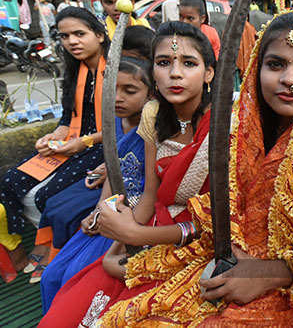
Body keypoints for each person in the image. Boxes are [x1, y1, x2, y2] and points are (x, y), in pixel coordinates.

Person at [65, 10, 293, 326]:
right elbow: (223, 208)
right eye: (275, 64)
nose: (289, 80)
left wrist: (273, 273)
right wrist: (137, 241)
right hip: (226, 259)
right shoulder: (245, 128)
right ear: (255, 68)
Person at [40, 21, 216, 326]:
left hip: (204, 243)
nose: (175, 73)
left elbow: (226, 218)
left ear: (209, 72)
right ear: (153, 73)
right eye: (164, 63)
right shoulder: (153, 114)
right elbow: (150, 196)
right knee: (69, 307)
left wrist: (138, 235)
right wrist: (120, 244)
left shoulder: (229, 121)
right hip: (154, 224)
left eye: (189, 63)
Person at [0, 7, 109, 278]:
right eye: (65, 36)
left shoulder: (121, 71)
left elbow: (125, 126)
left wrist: (81, 143)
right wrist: (53, 137)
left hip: (104, 148)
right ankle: (21, 249)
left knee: (49, 195)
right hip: (74, 143)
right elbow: (66, 118)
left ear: (99, 35)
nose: (72, 41)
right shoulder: (74, 71)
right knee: (11, 180)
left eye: (79, 34)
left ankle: (52, 248)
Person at [40, 57, 151, 303]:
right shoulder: (115, 124)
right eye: (111, 90)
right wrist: (98, 210)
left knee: (73, 278)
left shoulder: (152, 131)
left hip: (136, 219)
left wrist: (122, 225)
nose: (117, 98)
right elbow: (114, 172)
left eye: (129, 91)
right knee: (51, 277)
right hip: (110, 212)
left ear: (151, 94)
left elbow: (151, 193)